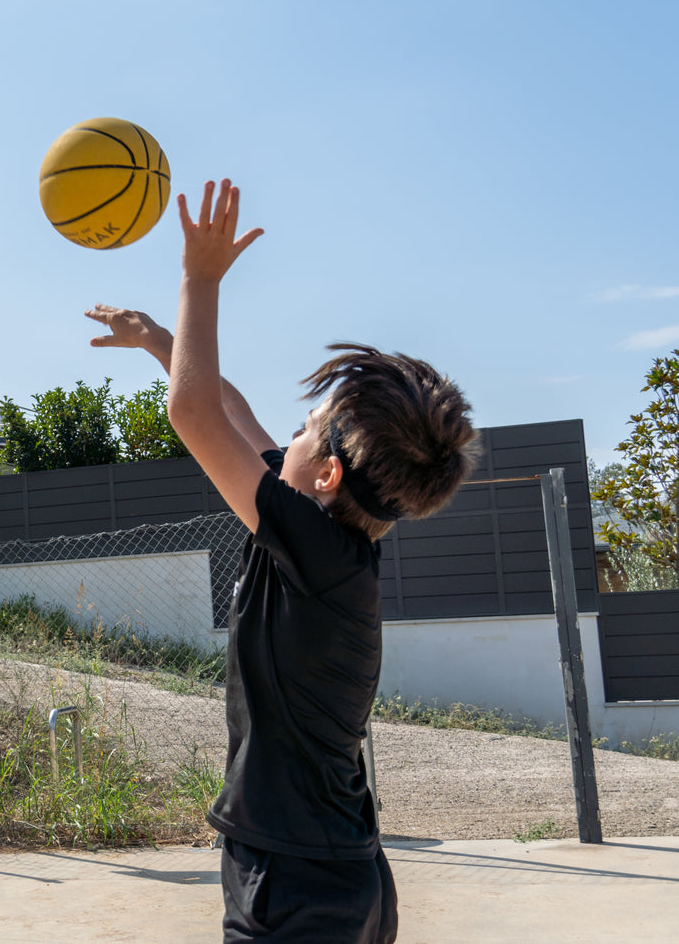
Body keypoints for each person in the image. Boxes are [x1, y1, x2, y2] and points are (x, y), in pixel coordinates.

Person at [86, 179, 480, 942]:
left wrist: (197, 280)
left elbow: (192, 412)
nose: (286, 437)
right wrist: (158, 341)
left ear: (326, 474)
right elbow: (228, 410)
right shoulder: (329, 543)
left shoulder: (316, 548)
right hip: (330, 871)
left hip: (300, 889)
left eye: (303, 429)